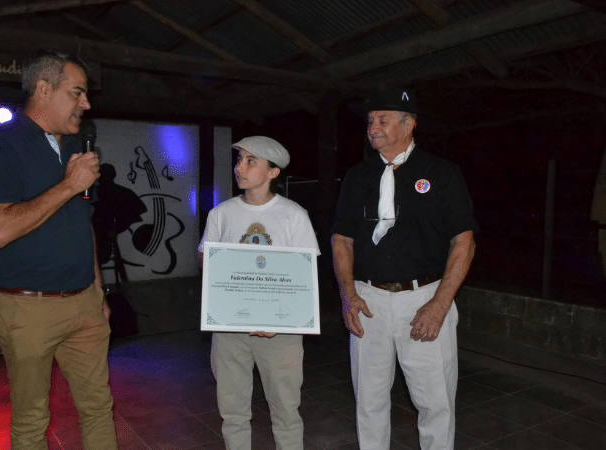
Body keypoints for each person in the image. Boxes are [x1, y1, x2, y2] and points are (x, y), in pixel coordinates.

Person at [0, 50, 118, 450]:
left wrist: (97, 288)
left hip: (84, 302)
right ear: (43, 89)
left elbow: (82, 224)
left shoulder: (73, 148)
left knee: (98, 407)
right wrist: (69, 185)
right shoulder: (2, 145)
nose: (86, 103)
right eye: (77, 92)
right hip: (28, 308)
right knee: (32, 420)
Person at [331, 89, 477, 450]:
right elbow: (342, 240)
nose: (373, 127)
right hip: (368, 300)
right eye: (370, 121)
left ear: (409, 124)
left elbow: (464, 242)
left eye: (383, 119)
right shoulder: (357, 176)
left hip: (424, 297)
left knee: (435, 401)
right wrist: (348, 295)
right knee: (369, 399)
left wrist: (439, 305)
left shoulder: (441, 173)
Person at [198, 136, 320, 450]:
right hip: (230, 328)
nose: (239, 167)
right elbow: (206, 261)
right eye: (239, 159)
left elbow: (305, 274)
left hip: (281, 330)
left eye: (250, 161)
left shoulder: (294, 214)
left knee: (286, 410)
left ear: (273, 172)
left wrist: (276, 317)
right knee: (233, 411)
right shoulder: (221, 213)